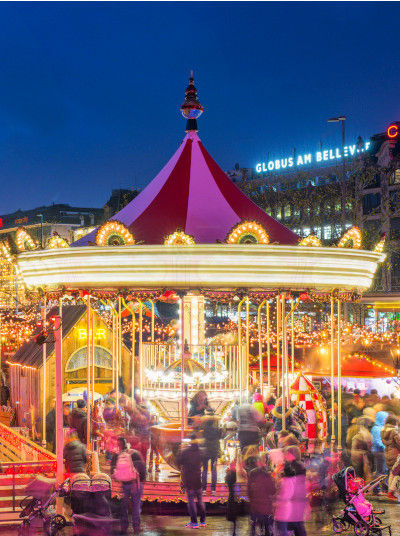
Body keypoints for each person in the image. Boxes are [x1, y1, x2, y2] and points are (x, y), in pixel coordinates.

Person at [111, 436, 146, 535]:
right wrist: (141, 481)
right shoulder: (135, 453)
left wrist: (121, 477)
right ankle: (136, 528)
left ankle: (124, 527)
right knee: (136, 507)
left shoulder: (117, 455)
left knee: (124, 506)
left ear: (119, 445)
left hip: (125, 484)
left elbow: (113, 472)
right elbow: (142, 469)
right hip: (136, 484)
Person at [275, 445, 308, 536]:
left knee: (293, 525)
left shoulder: (292, 466)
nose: (285, 456)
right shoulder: (299, 465)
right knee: (298, 525)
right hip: (298, 499)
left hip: (293, 500)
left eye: (287, 454)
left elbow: (290, 484)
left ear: (291, 454)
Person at [177, 434, 206, 528]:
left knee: (191, 502)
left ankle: (194, 523)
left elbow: (178, 462)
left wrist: (180, 450)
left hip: (189, 479)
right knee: (200, 501)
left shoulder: (185, 452)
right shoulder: (201, 452)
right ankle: (203, 521)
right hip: (198, 478)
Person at [247, 454, 276, 536]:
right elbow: (272, 490)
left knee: (254, 521)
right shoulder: (267, 475)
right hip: (265, 503)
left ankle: (254, 532)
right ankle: (265, 531)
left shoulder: (252, 474)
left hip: (255, 504)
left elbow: (249, 489)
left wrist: (251, 500)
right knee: (266, 522)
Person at [381, 414, 400, 500]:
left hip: (388, 453)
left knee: (392, 472)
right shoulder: (394, 432)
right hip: (395, 453)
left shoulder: (383, 431)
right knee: (396, 473)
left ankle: (390, 491)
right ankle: (392, 492)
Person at [201, 416, 221, 494]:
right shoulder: (217, 430)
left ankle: (204, 489)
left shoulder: (204, 430)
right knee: (214, 470)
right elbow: (220, 437)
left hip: (206, 451)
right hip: (214, 452)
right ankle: (213, 489)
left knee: (205, 470)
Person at [371, 411, 388, 480]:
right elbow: (378, 442)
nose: (385, 420)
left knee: (381, 470)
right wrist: (386, 448)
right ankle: (377, 488)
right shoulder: (376, 429)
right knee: (380, 470)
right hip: (378, 452)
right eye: (384, 418)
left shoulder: (380, 427)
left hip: (380, 452)